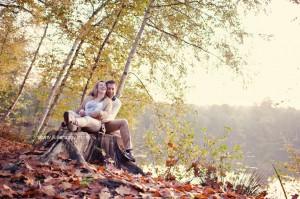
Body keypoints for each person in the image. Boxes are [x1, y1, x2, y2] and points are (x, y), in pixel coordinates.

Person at [104, 80, 135, 162]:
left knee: (121, 134)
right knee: (123, 122)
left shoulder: (117, 102)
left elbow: (111, 117)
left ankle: (128, 152)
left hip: (107, 123)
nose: (110, 91)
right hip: (97, 123)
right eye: (108, 88)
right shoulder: (101, 97)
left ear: (115, 89)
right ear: (105, 89)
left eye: (112, 89)